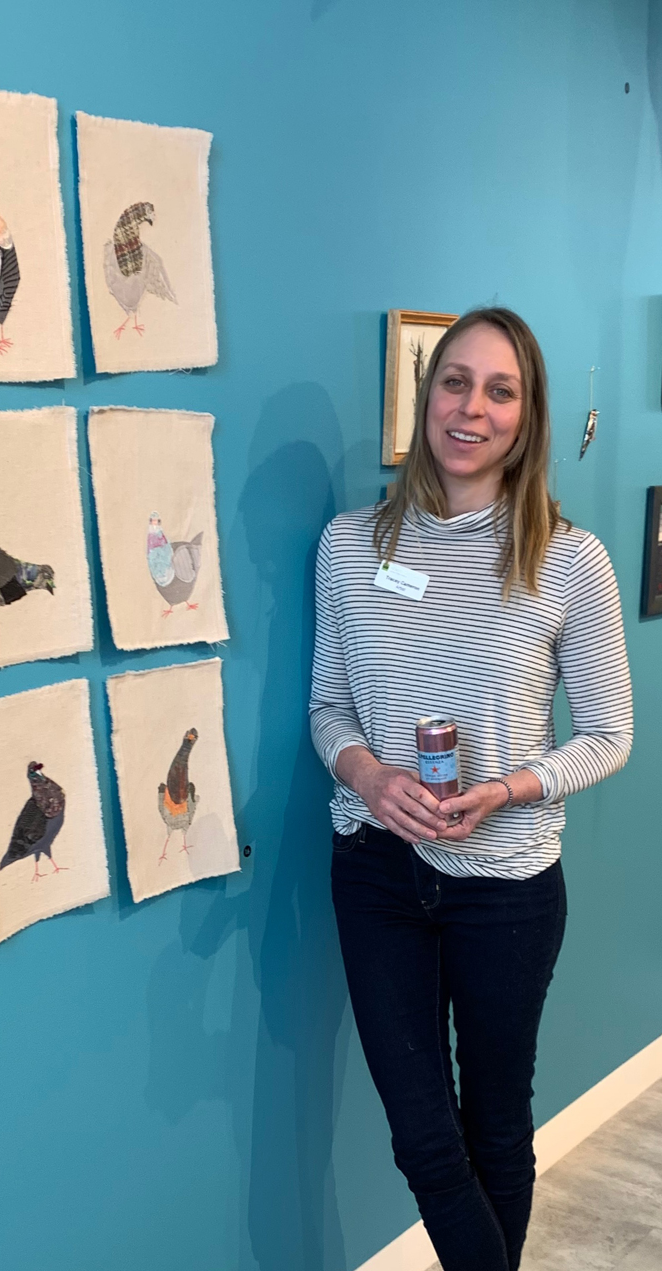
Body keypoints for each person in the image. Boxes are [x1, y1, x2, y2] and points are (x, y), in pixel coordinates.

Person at [308, 307, 633, 1271]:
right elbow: (329, 706)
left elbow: (611, 734)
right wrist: (366, 773)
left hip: (509, 884)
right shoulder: (348, 544)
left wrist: (511, 786)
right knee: (425, 1140)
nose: (472, 408)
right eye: (455, 381)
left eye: (500, 390)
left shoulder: (570, 560)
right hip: (376, 873)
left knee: (495, 1128)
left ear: (526, 418)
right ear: (426, 394)